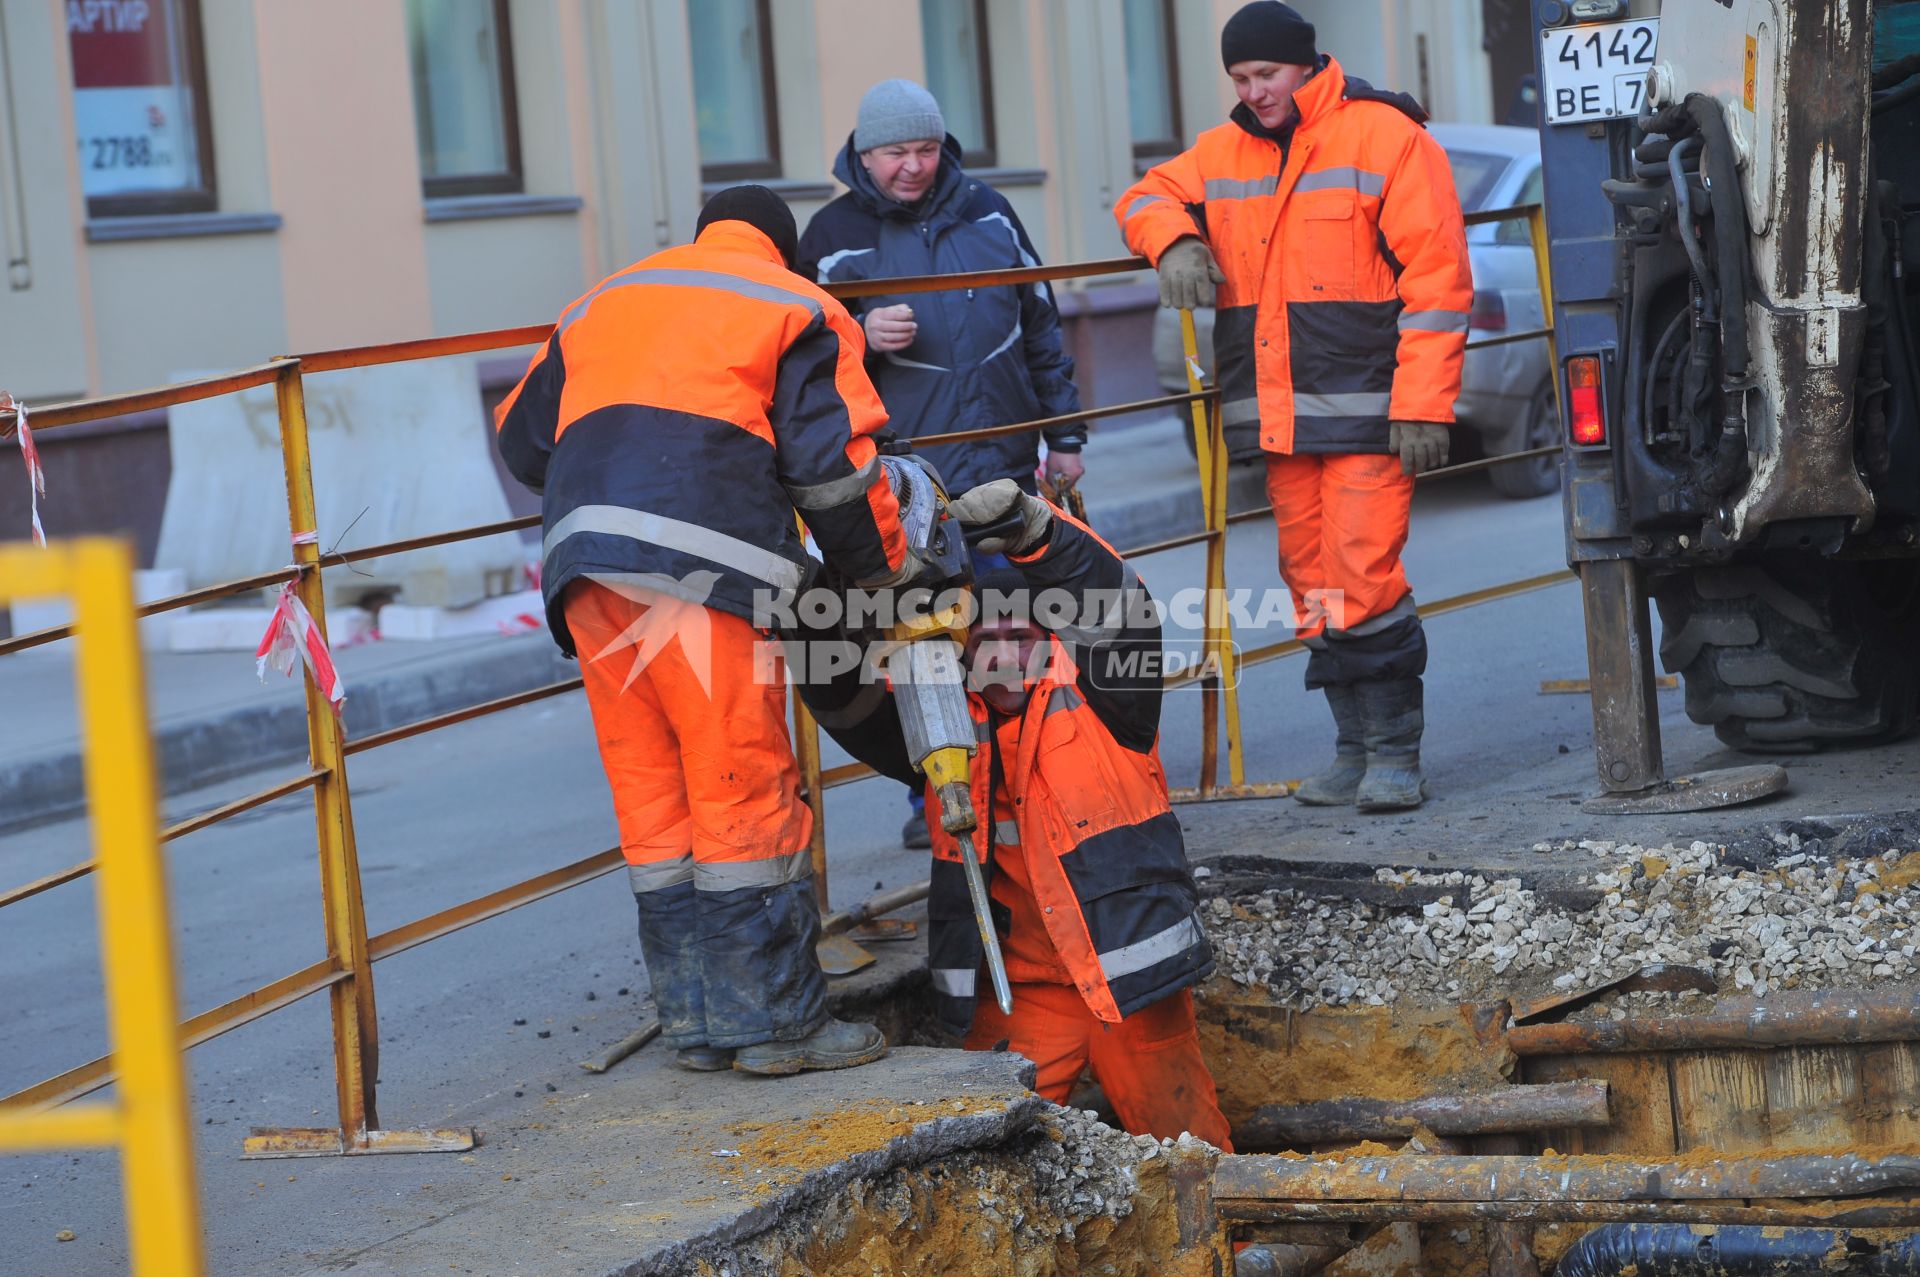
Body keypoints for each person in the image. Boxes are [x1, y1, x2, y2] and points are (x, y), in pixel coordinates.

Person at [494, 185, 918, 1077]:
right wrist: (883, 574)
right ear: (783, 251)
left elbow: (524, 444)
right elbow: (834, 470)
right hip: (705, 569)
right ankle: (777, 1029)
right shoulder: (798, 305)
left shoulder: (603, 299)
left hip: (586, 567)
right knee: (740, 784)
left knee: (656, 798)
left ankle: (696, 1022)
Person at [795, 480, 1233, 1147]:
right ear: (960, 643)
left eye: (1018, 630)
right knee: (988, 1157)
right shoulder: (942, 727)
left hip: (1129, 983)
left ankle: (1237, 1245)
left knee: (1189, 1148)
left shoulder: (1106, 692)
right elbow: (843, 702)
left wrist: (1039, 529)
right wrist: (815, 602)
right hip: (1022, 991)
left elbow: (1124, 606)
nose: (1002, 648)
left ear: (1047, 632)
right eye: (985, 634)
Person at [1115, 1, 1471, 813]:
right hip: (1280, 418)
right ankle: (1351, 747)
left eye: (1266, 74)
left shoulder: (1386, 138)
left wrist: (1423, 404)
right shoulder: (1223, 149)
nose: (1254, 91)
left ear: (1306, 64)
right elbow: (1143, 196)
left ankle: (1393, 751)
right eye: (1240, 78)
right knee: (1309, 582)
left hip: (1368, 408)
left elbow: (1439, 281)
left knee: (1363, 574)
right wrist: (1171, 240)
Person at [798, 78, 1088, 851]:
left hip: (1001, 457)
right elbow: (797, 367)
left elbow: (1041, 323)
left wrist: (1066, 436)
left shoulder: (990, 212)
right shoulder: (829, 235)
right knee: (918, 638)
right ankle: (932, 789)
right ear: (864, 153)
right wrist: (858, 331)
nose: (914, 166)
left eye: (926, 149)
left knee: (1007, 626)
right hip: (902, 484)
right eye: (896, 152)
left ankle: (1021, 777)